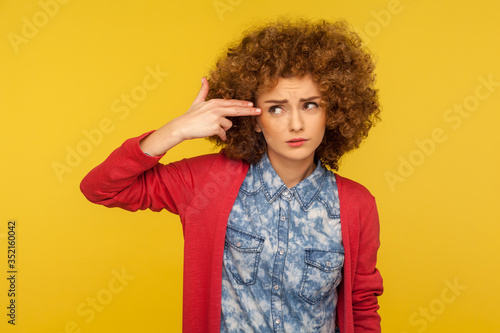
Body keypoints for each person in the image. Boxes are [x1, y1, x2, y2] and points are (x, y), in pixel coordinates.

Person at [81, 18, 383, 333]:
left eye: (310, 105)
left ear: (332, 111)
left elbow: (362, 306)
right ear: (253, 118)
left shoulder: (356, 205)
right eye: (276, 109)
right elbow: (101, 189)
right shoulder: (209, 183)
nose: (296, 124)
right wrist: (174, 131)